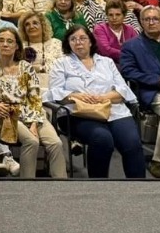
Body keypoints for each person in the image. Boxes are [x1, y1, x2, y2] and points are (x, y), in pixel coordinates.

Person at [47, 25, 144, 179]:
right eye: (73, 39)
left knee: (131, 143)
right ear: (68, 43)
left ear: (91, 41)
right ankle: (98, 186)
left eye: (83, 38)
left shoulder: (107, 62)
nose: (78, 42)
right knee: (103, 139)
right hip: (77, 113)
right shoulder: (61, 63)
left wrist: (104, 97)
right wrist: (77, 96)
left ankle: (140, 188)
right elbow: (55, 92)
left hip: (113, 110)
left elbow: (122, 90)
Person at [0, 26, 66, 179]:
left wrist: (33, 122)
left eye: (9, 41)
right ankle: (26, 185)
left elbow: (35, 98)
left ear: (17, 46)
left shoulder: (26, 67)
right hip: (5, 115)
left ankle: (62, 186)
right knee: (32, 141)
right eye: (1, 41)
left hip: (33, 114)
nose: (5, 44)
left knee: (56, 144)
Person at [118, 5, 160, 179]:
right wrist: (157, 80)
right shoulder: (131, 46)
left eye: (155, 19)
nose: (151, 22)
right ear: (141, 22)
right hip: (150, 91)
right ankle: (159, 161)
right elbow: (128, 72)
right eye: (146, 19)